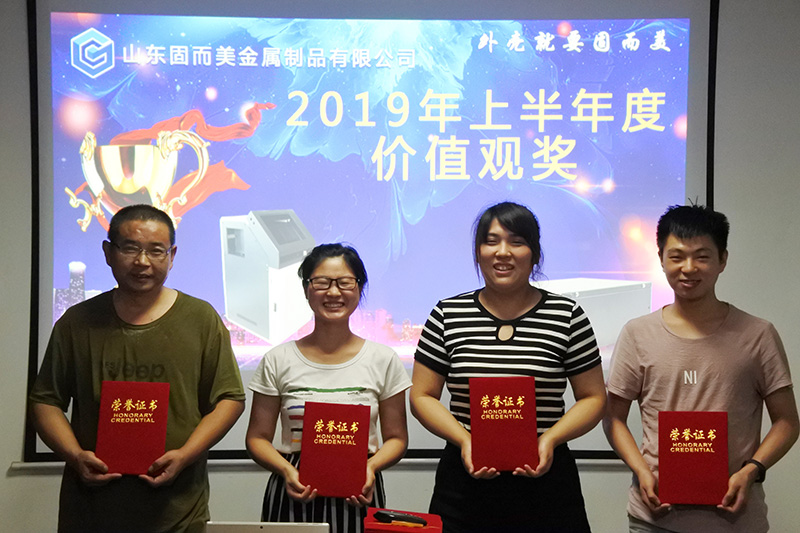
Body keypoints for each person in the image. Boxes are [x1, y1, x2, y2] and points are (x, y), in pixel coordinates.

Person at [29, 204, 246, 533]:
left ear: (172, 256)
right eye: (130, 248)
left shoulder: (201, 319)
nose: (142, 261)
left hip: (177, 512)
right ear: (108, 252)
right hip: (90, 511)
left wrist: (185, 455)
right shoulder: (76, 322)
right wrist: (74, 455)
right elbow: (45, 401)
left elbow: (229, 399)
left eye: (156, 250)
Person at [410, 201, 607, 533]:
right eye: (491, 241)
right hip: (464, 482)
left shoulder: (567, 315)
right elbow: (422, 395)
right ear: (478, 253)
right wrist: (465, 441)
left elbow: (594, 397)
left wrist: (550, 439)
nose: (503, 252)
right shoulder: (447, 314)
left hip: (547, 482)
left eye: (517, 241)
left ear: (535, 253)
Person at [603, 204, 799, 533]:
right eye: (677, 256)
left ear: (723, 260)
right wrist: (641, 470)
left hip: (737, 522)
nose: (689, 268)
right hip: (653, 520)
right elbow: (613, 417)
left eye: (702, 256)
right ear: (661, 259)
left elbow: (787, 421)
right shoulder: (637, 333)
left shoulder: (758, 334)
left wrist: (752, 469)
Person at [246, 243, 411, 533]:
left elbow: (397, 438)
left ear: (359, 288)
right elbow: (257, 438)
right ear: (306, 289)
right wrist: (286, 470)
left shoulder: (383, 359)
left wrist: (370, 468)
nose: (333, 293)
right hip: (292, 489)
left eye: (345, 282)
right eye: (322, 282)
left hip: (361, 488)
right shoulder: (278, 359)